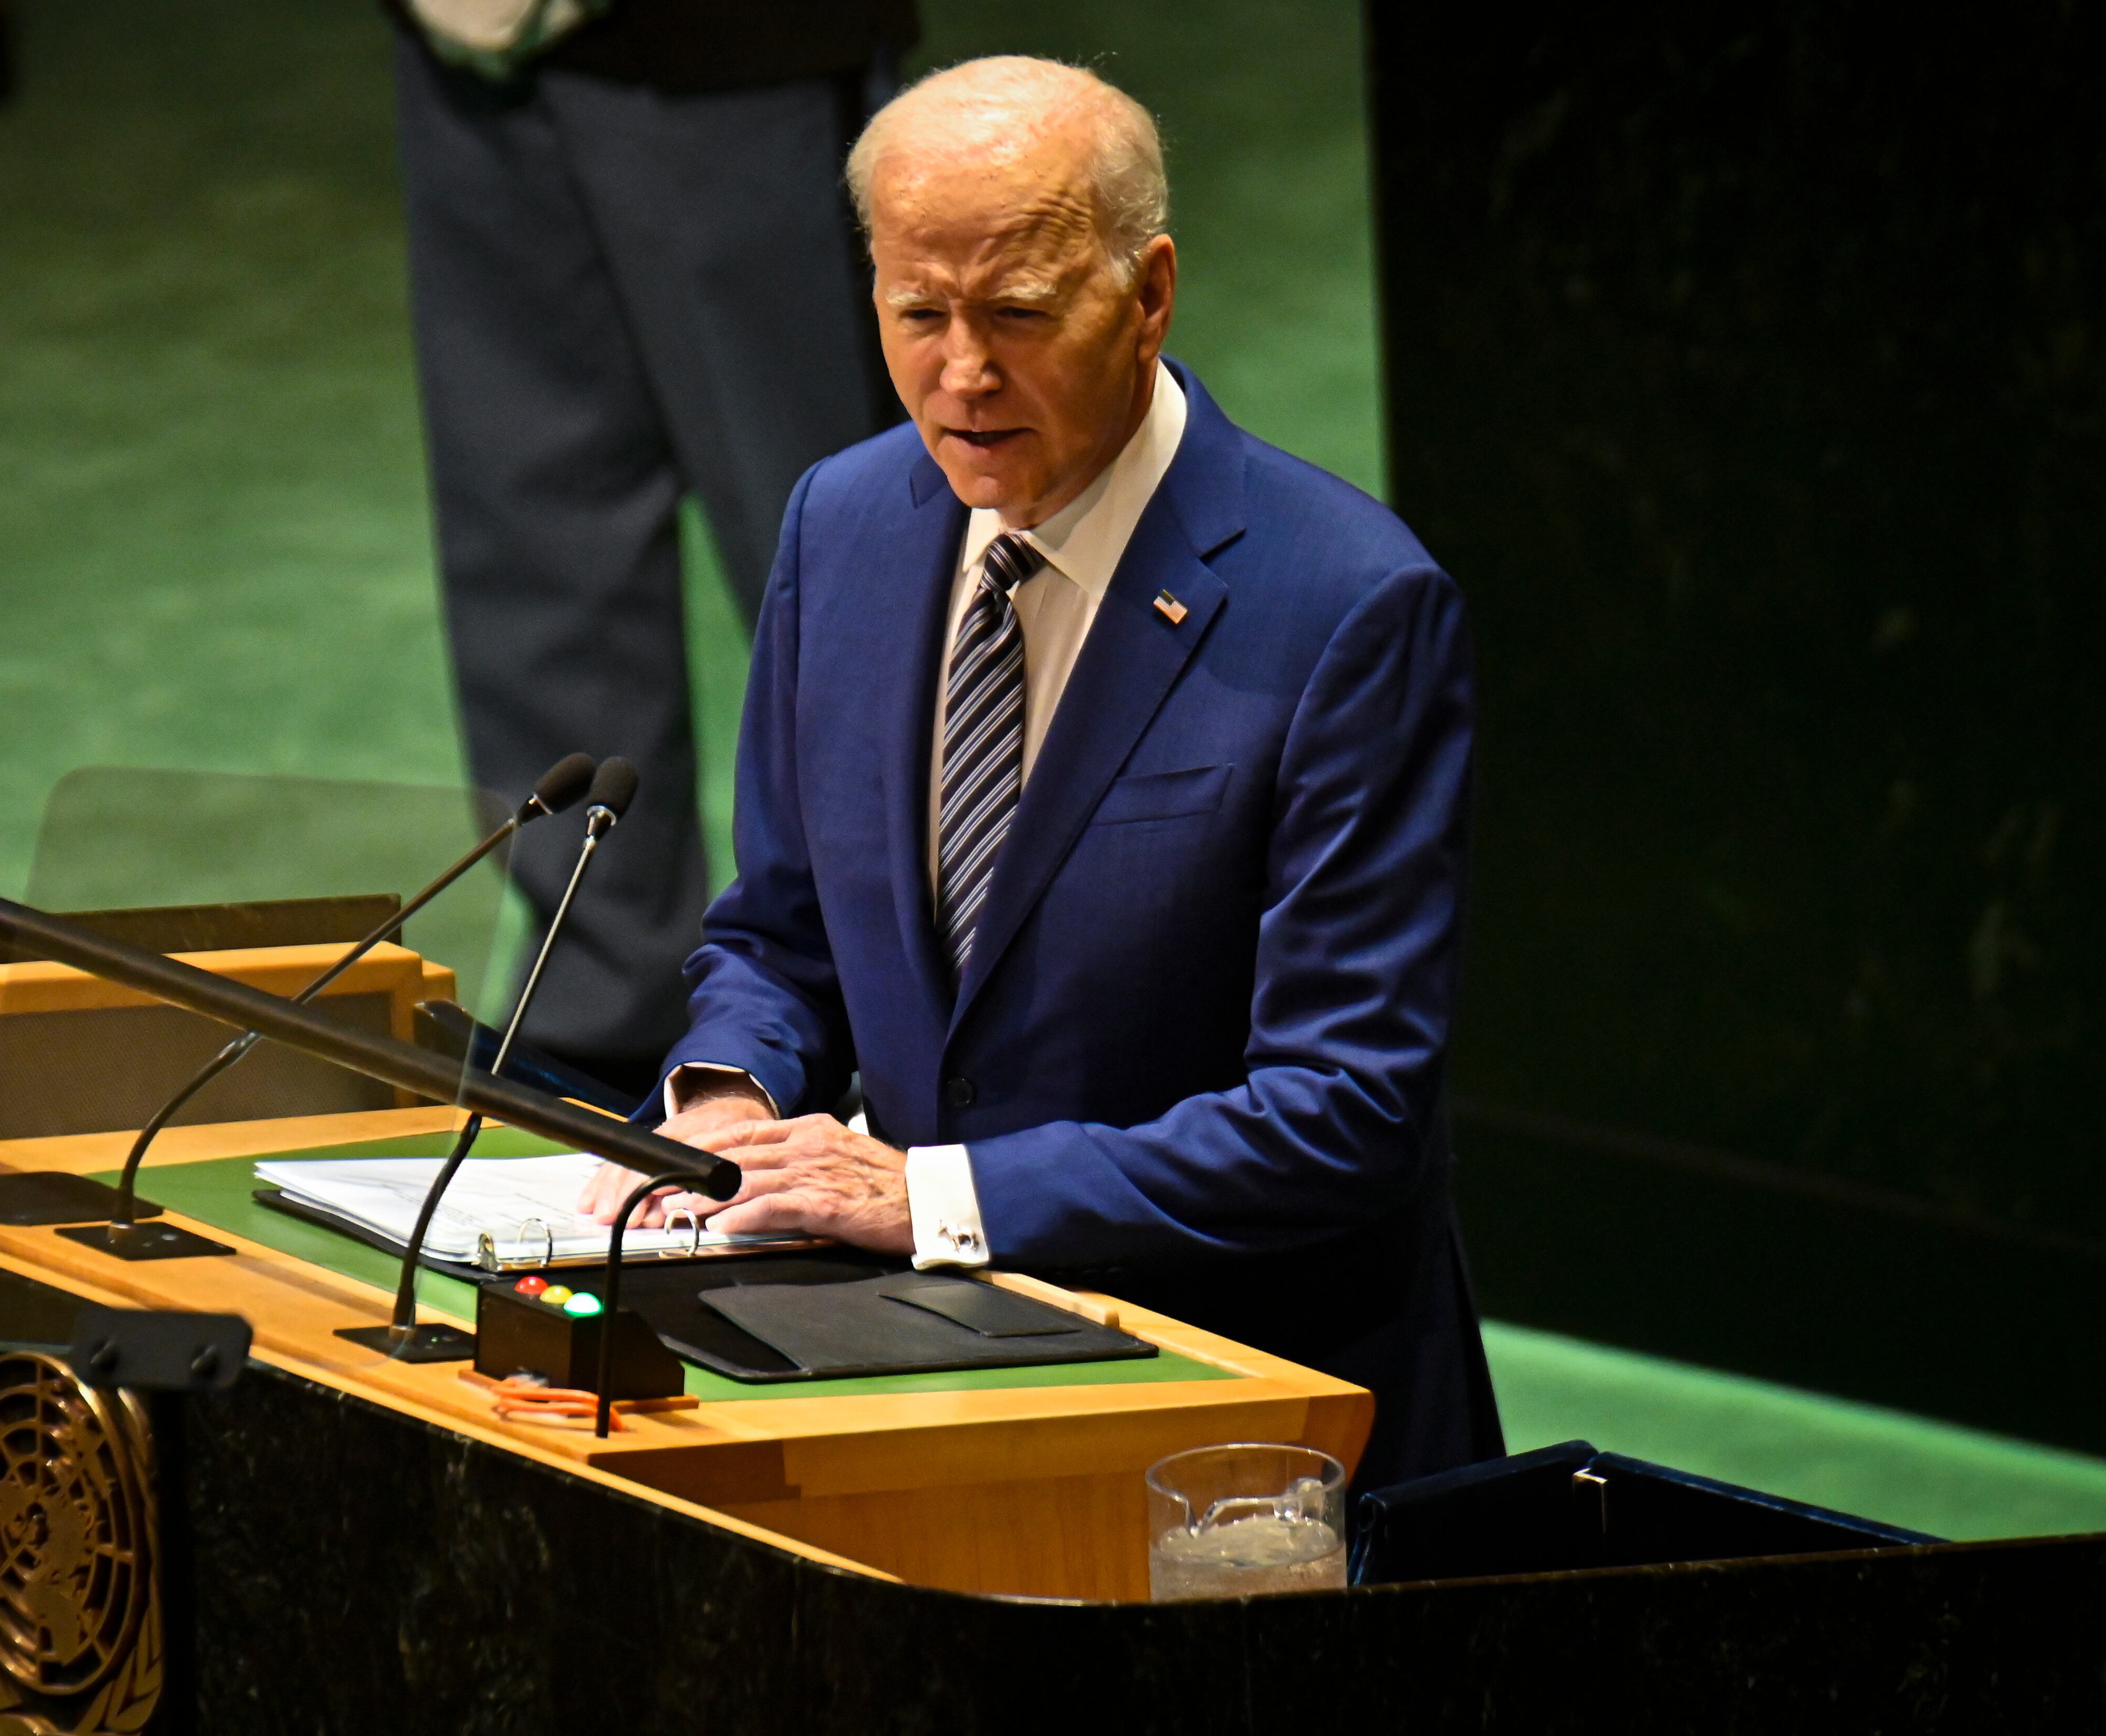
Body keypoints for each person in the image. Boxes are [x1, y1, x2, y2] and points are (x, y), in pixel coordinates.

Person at [583, 56, 1503, 1490]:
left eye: (1016, 314)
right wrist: (728, 1109)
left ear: (1148, 295)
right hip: (915, 1381)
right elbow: (784, 931)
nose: (961, 373)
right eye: (915, 313)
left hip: (1246, 1422)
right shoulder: (845, 522)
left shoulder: (1349, 606)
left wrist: (934, 1196)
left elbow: (1345, 1110)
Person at [390, 1, 915, 1095]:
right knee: (535, 529)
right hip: (471, 44)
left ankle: (916, 1019)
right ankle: (599, 1007)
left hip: (737, 59)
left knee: (857, 551)